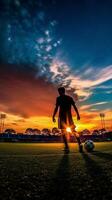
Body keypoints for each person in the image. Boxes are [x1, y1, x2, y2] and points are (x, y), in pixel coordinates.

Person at [52, 87, 83, 153]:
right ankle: (78, 144)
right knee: (72, 131)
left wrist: (53, 116)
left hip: (63, 117)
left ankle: (68, 147)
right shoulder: (68, 98)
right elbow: (74, 106)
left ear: (62, 91)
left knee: (65, 132)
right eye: (58, 92)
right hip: (68, 117)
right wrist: (78, 115)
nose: (59, 93)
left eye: (59, 92)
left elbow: (57, 108)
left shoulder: (59, 98)